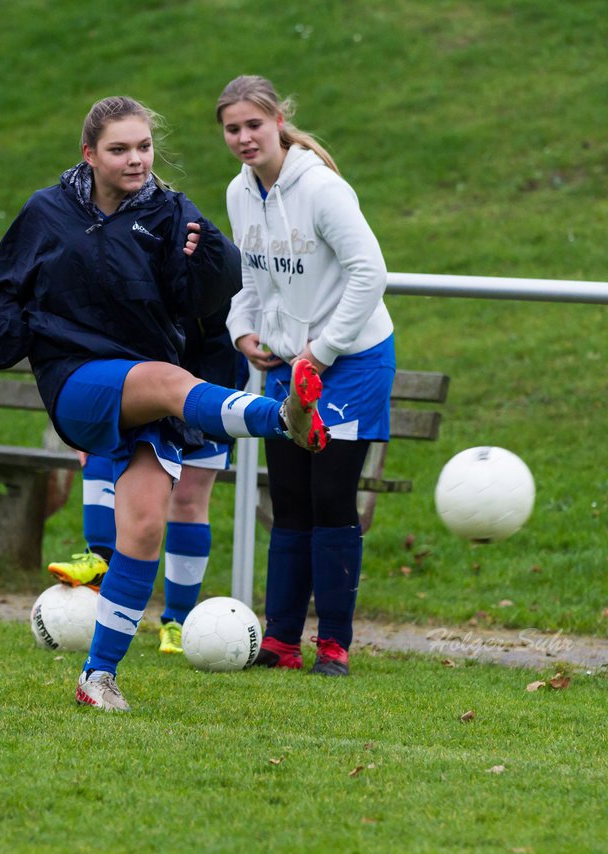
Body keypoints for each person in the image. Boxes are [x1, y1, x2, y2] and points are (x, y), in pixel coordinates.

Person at [0, 95, 329, 712]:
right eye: (119, 149)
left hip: (153, 384)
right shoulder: (46, 212)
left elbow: (207, 301)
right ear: (89, 155)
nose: (136, 159)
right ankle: (282, 419)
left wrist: (206, 262)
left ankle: (97, 678)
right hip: (77, 378)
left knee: (142, 529)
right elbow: (9, 291)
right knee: (168, 379)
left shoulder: (171, 214)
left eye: (144, 147)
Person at [215, 75, 396, 676]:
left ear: (277, 121)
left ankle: (335, 646)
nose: (243, 138)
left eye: (253, 126)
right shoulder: (239, 194)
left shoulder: (321, 188)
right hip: (293, 367)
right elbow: (250, 280)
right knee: (288, 499)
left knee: (331, 499)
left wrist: (321, 352)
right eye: (232, 128)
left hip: (353, 360)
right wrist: (243, 331)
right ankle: (282, 642)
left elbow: (370, 273)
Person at [47, 308, 248, 656]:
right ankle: (100, 559)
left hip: (206, 378)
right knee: (104, 446)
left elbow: (232, 301)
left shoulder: (207, 258)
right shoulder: (121, 258)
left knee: (187, 500)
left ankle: (177, 622)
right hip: (135, 378)